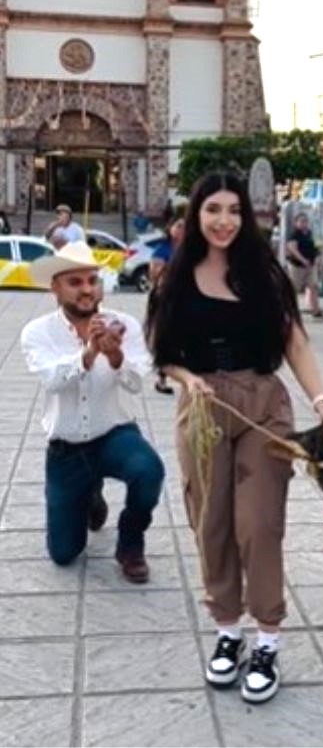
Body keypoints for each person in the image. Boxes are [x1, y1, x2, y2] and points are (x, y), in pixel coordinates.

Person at [147, 171, 323, 704]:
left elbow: (296, 343)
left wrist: (320, 400)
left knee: (259, 524)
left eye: (235, 210)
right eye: (213, 209)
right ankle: (228, 631)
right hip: (202, 410)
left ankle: (266, 638)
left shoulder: (263, 274)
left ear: (246, 217)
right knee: (211, 522)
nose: (224, 221)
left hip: (263, 403)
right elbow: (162, 355)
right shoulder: (172, 279)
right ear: (196, 215)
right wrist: (186, 378)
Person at [19, 241, 164, 583]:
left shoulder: (123, 324)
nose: (87, 290)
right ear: (55, 287)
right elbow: (53, 380)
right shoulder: (37, 333)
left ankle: (130, 542)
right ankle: (90, 495)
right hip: (66, 447)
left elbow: (135, 382)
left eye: (91, 280)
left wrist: (114, 357)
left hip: (114, 433)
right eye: (75, 282)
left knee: (150, 471)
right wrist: (88, 354)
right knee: (64, 553)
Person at [150, 217, 186, 395]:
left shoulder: (191, 249)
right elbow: (155, 274)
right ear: (170, 228)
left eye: (185, 226)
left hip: (185, 298)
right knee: (165, 337)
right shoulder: (163, 249)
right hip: (166, 297)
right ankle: (162, 378)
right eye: (178, 226)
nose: (181, 229)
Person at [285, 211, 323, 323]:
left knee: (314, 287)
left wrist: (318, 253)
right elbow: (292, 248)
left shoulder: (309, 233)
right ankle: (290, 312)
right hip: (297, 266)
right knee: (294, 289)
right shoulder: (294, 234)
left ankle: (316, 312)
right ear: (296, 223)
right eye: (302, 221)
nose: (304, 223)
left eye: (306, 221)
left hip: (310, 265)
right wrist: (302, 260)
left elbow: (314, 246)